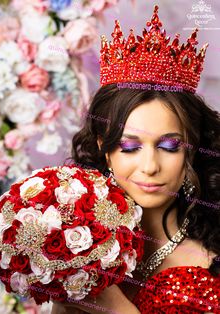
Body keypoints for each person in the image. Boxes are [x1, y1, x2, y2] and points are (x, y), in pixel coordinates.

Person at [51, 5, 220, 313]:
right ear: (104, 148)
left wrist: (115, 307)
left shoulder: (211, 260)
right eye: (130, 146)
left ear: (192, 149)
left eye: (169, 146)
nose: (150, 166)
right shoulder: (78, 250)